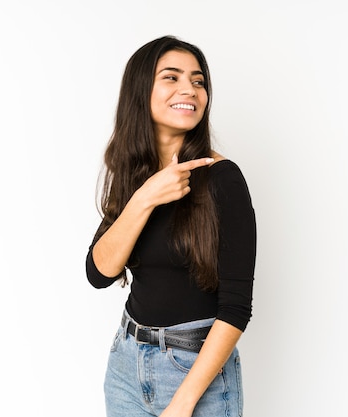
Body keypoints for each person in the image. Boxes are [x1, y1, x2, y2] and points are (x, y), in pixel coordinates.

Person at [85, 35, 257, 417]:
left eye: (198, 81)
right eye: (172, 77)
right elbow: (99, 272)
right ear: (140, 90)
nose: (190, 90)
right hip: (127, 365)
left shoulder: (223, 179)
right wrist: (146, 195)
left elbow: (235, 309)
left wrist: (183, 403)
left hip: (196, 375)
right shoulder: (134, 175)